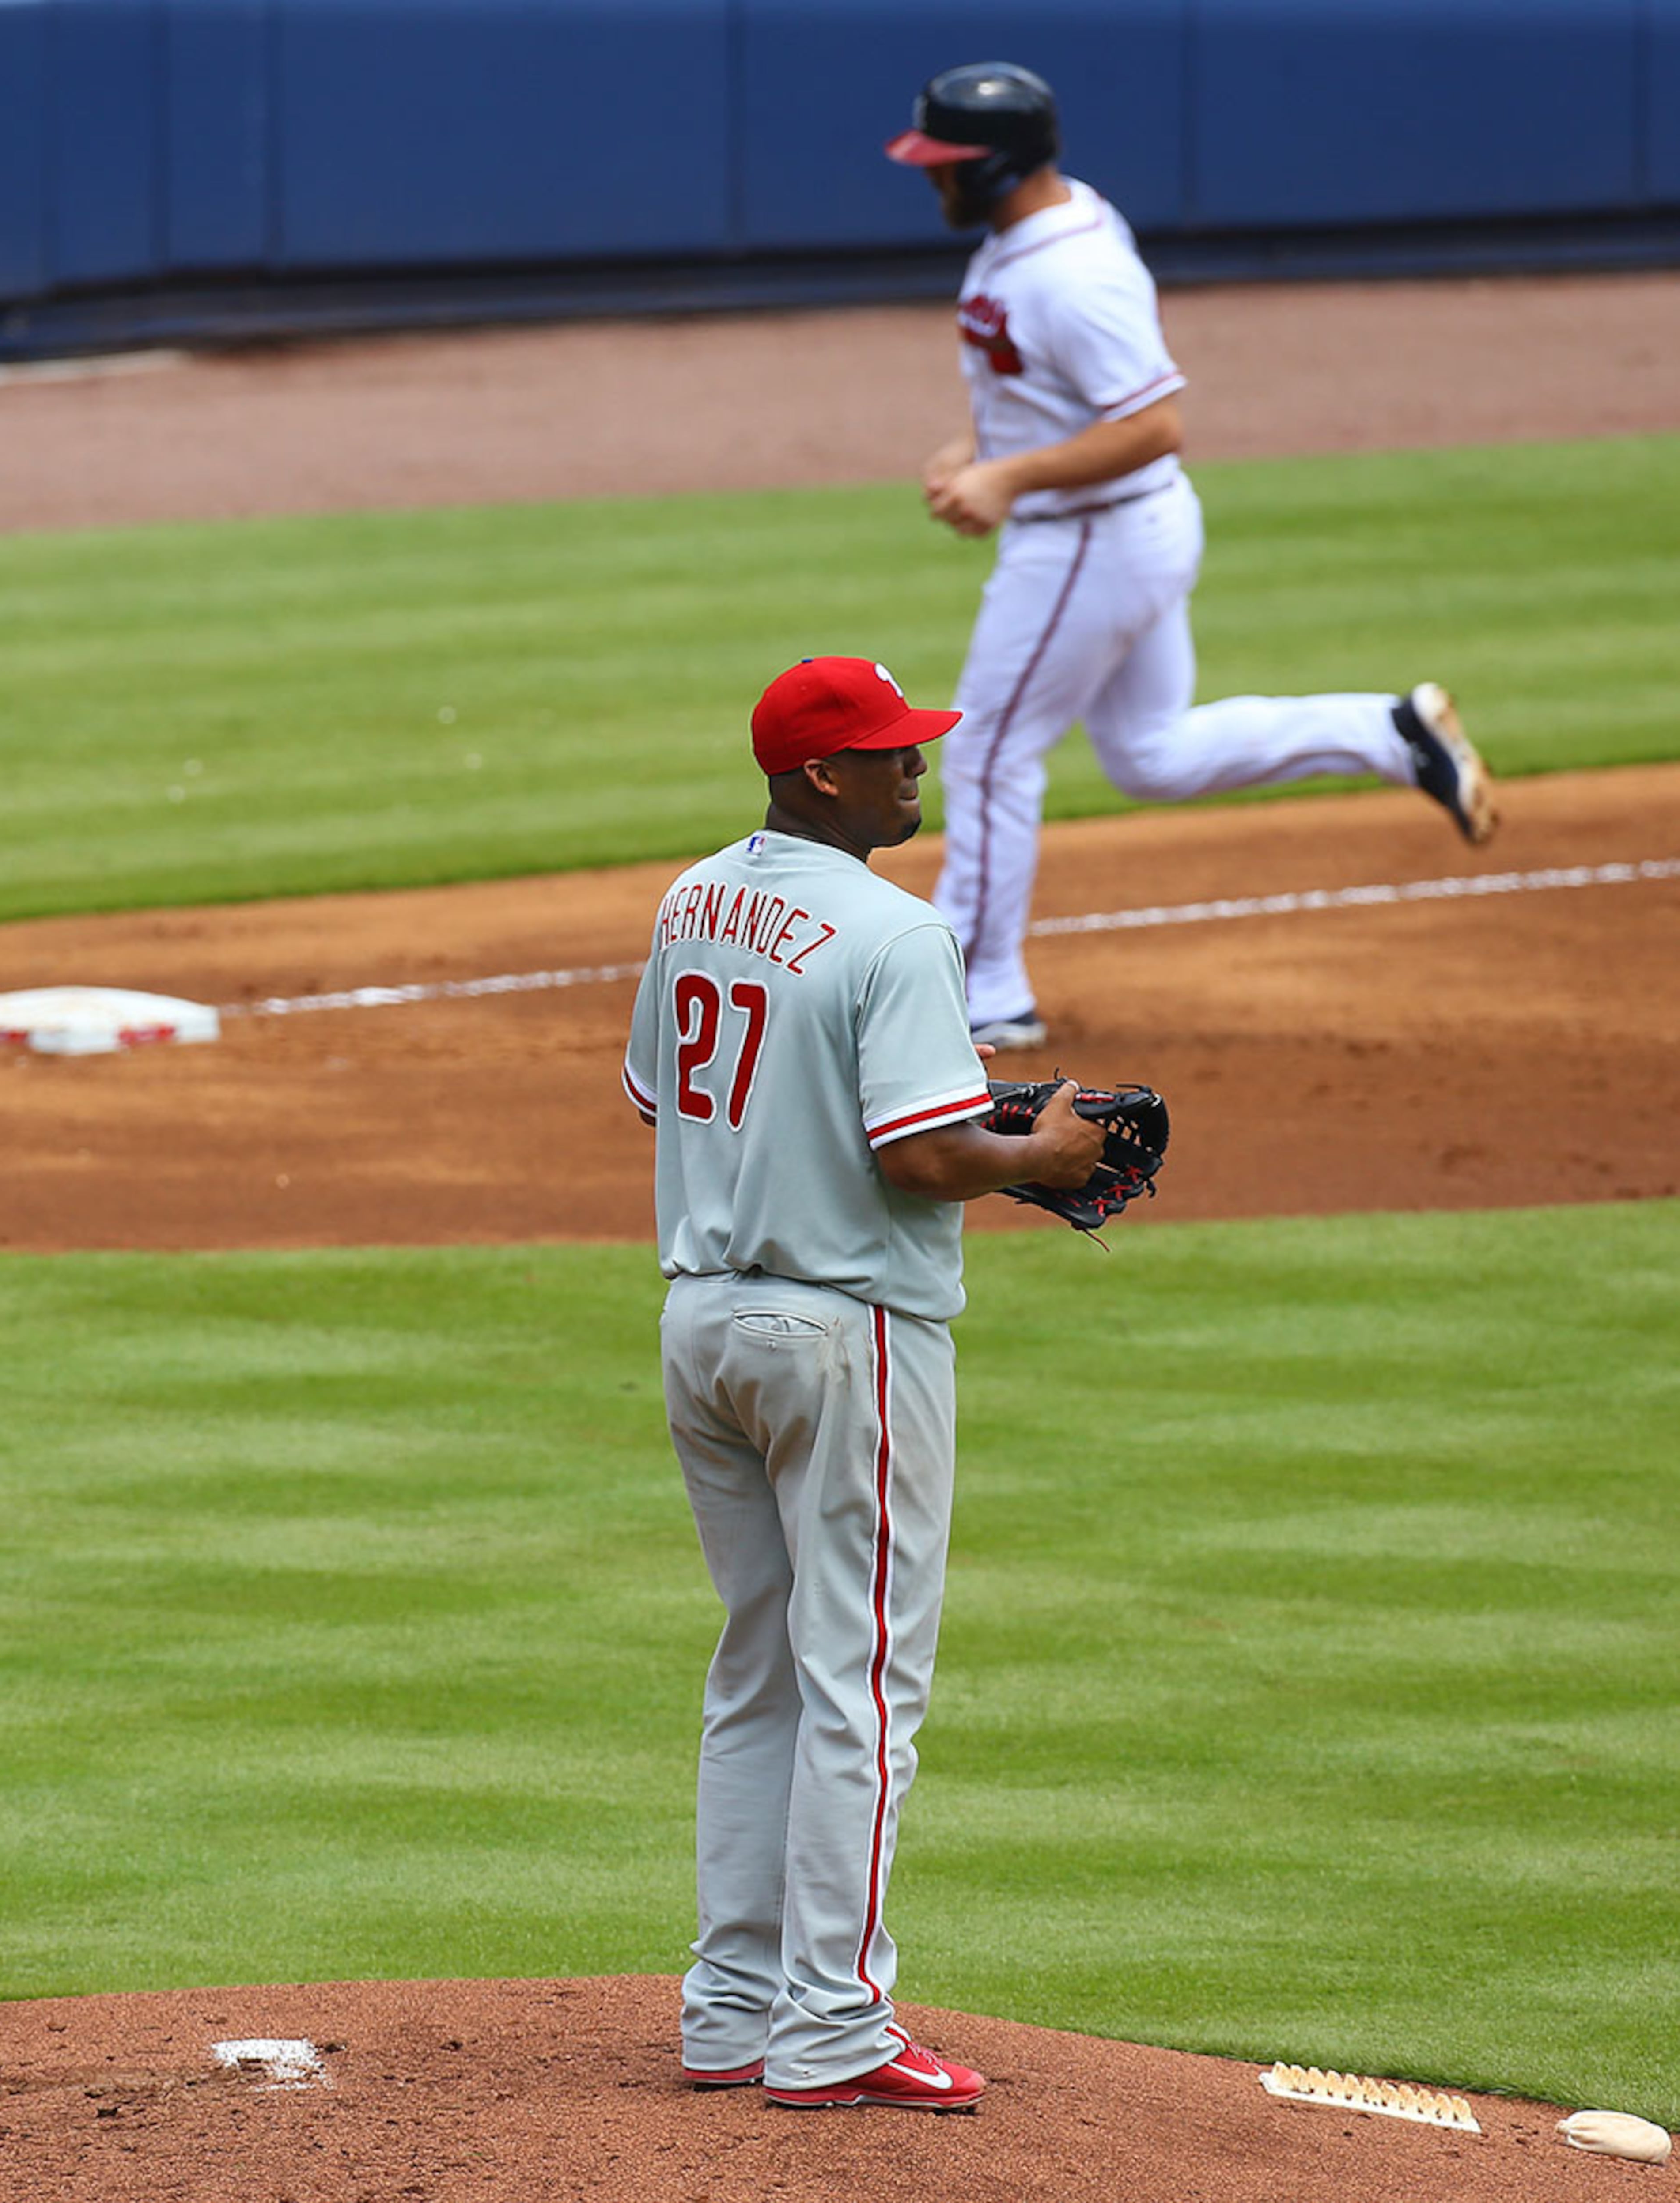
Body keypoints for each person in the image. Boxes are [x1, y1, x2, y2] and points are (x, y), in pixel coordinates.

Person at [622, 655, 1105, 2111]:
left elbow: (662, 1089)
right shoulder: (897, 931)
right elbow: (922, 1153)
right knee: (864, 1686)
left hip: (703, 1323)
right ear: (820, 774)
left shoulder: (693, 898)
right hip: (847, 1333)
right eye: (893, 755)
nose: (918, 771)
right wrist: (1040, 1156)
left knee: (760, 1665)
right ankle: (832, 2016)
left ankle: (731, 2004)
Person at [885, 62, 1498, 1049]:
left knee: (990, 750)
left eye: (946, 164)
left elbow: (1155, 424)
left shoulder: (1071, 275)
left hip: (1094, 539)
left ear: (995, 167)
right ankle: (1389, 735)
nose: (931, 180)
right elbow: (1042, 382)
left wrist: (1006, 480)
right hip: (1122, 530)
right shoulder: (1036, 231)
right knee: (1151, 755)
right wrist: (980, 448)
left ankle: (985, 989)